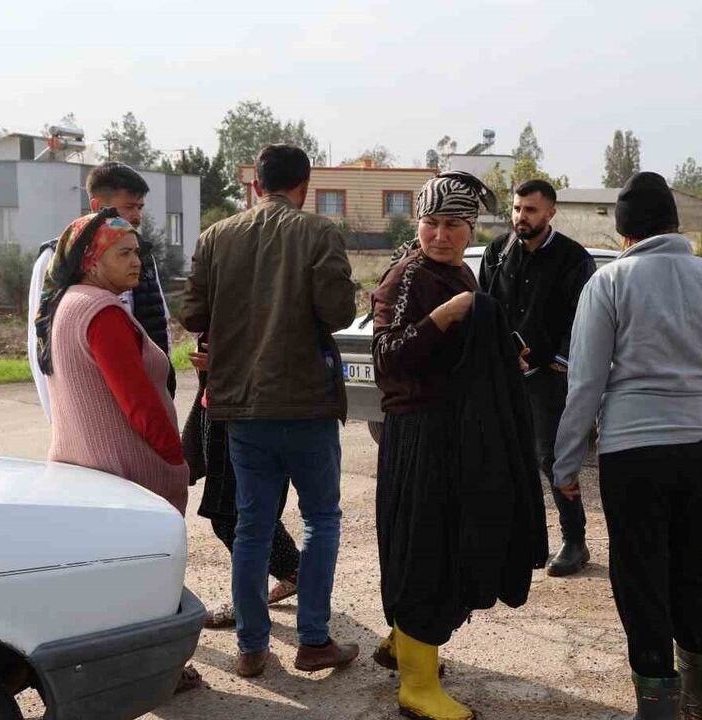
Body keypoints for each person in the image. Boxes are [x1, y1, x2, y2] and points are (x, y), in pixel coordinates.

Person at [553, 172, 702, 720]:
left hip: (632, 451)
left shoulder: (609, 283)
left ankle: (658, 708)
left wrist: (566, 459)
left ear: (624, 233)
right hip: (701, 449)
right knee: (691, 568)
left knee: (639, 575)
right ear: (673, 224)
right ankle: (701, 700)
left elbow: (586, 382)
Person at [372, 171, 547, 720]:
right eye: (430, 223)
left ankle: (405, 645)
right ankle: (416, 687)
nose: (439, 234)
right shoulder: (407, 278)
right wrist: (442, 319)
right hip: (419, 435)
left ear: (470, 229)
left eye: (452, 225)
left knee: (438, 542)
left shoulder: (456, 271)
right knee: (425, 548)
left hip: (448, 433)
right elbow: (387, 358)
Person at [179, 144, 358, 679]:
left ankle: (252, 648)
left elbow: (192, 314)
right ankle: (313, 641)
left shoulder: (215, 237)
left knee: (253, 525)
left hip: (241, 408)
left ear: (255, 185)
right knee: (320, 520)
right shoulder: (320, 234)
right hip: (307, 405)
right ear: (305, 186)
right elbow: (340, 311)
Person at [34, 209, 202, 693]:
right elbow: (139, 405)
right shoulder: (101, 312)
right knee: (146, 584)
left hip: (86, 465)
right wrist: (175, 458)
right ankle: (153, 674)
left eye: (137, 251)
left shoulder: (68, 302)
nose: (137, 262)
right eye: (123, 253)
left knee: (111, 585)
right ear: (91, 259)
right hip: (130, 473)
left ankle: (127, 674)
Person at [478, 179, 595, 577]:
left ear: (550, 212)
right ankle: (524, 539)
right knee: (508, 457)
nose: (520, 217)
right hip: (503, 375)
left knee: (552, 458)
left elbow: (583, 319)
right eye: (516, 209)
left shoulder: (572, 257)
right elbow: (485, 306)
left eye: (529, 210)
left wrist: (555, 361)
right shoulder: (497, 251)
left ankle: (574, 539)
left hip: (549, 377)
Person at [28, 162, 172, 419]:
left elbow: (160, 322)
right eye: (129, 207)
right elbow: (41, 340)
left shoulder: (143, 258)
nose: (137, 216)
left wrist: (164, 389)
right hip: (89, 407)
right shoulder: (57, 260)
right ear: (97, 206)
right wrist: (58, 417)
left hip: (143, 398)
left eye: (140, 207)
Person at [180, 350, 300, 629]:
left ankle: (252, 609)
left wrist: (229, 362)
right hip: (222, 400)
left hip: (248, 405)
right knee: (242, 513)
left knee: (234, 517)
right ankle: (288, 576)